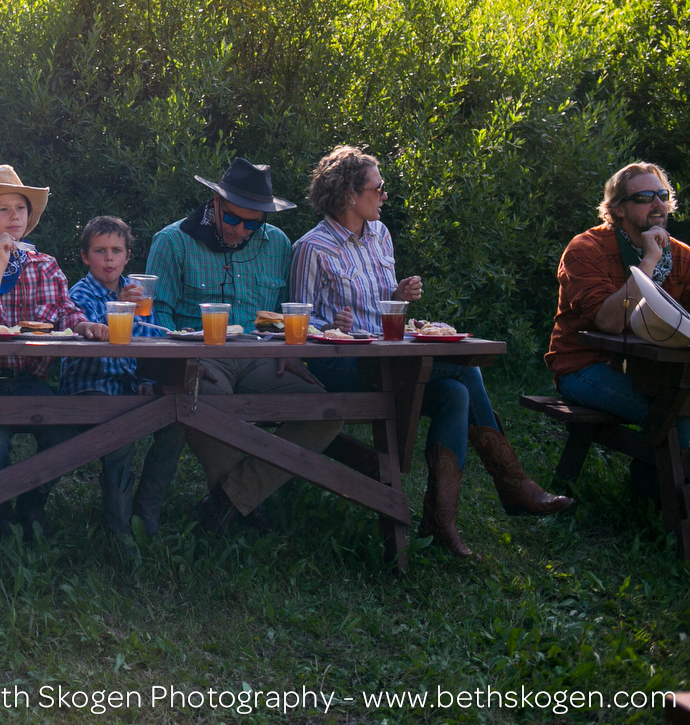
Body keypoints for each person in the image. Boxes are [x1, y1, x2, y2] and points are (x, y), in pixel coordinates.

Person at [290, 146, 570, 557]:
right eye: (378, 188)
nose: (385, 195)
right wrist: (330, 327)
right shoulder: (311, 248)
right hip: (340, 366)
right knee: (465, 372)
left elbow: (382, 307)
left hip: (389, 357)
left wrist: (399, 296)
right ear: (350, 194)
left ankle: (441, 519)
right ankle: (512, 485)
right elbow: (297, 323)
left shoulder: (380, 236)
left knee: (455, 392)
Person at [145, 157, 341, 532]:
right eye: (233, 218)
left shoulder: (278, 244)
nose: (241, 230)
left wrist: (290, 351)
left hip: (259, 355)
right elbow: (157, 314)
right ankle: (247, 509)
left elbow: (283, 314)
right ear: (215, 204)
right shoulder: (172, 241)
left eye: (253, 223)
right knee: (200, 406)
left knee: (327, 414)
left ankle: (230, 502)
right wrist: (178, 361)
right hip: (199, 356)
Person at [0, 165, 106, 541]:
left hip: (28, 378)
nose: (15, 215)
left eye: (20, 207)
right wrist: (0, 262)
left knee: (62, 433)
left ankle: (33, 502)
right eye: (3, 209)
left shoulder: (45, 265)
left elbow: (65, 311)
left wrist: (83, 325)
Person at [547, 162, 690, 497]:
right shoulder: (586, 250)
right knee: (676, 413)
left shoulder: (682, 256)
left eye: (662, 195)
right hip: (585, 366)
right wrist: (649, 261)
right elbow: (608, 320)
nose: (657, 203)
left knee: (678, 405)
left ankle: (651, 494)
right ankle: (667, 517)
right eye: (644, 197)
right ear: (618, 210)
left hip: (654, 368)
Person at [63, 216, 186, 546]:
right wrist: (119, 310)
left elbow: (151, 338)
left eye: (116, 251)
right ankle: (119, 531)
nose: (108, 259)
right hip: (90, 384)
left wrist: (147, 376)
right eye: (99, 251)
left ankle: (147, 511)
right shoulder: (79, 293)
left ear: (127, 256)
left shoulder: (138, 291)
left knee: (179, 418)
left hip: (129, 384)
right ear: (85, 257)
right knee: (123, 427)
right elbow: (91, 333)